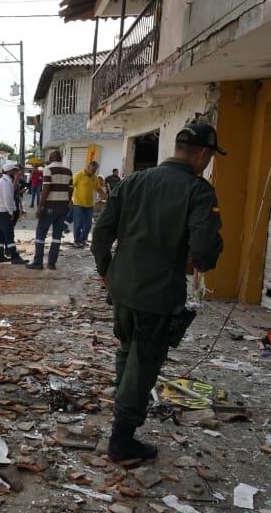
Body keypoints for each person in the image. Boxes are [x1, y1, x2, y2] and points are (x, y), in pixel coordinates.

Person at [92, 123, 225, 462]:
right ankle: (122, 439)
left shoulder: (134, 181)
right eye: (210, 156)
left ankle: (122, 412)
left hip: (122, 286)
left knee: (128, 349)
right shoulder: (198, 191)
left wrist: (106, 271)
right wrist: (205, 260)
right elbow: (204, 248)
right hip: (158, 291)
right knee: (144, 362)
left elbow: (101, 232)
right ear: (203, 154)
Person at [29, 150, 73, 270]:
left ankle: (38, 262)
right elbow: (70, 189)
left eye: (49, 156)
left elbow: (46, 189)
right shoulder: (68, 171)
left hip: (50, 206)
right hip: (63, 207)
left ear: (52, 157)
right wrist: (68, 202)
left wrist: (39, 207)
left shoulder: (48, 169)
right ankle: (52, 263)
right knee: (57, 236)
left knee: (41, 233)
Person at [0, 163, 25, 264]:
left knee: (0, 234)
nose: (15, 172)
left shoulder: (0, 181)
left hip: (0, 211)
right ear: (9, 171)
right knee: (9, 234)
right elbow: (7, 199)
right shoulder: (6, 183)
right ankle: (14, 256)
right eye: (14, 170)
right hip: (5, 211)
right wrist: (11, 212)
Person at [70, 160, 102, 248]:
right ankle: (77, 241)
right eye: (93, 170)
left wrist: (105, 196)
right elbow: (71, 187)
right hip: (78, 204)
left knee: (88, 225)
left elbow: (97, 188)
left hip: (89, 205)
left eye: (95, 170)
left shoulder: (94, 177)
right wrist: (69, 200)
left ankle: (83, 239)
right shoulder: (78, 175)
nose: (94, 172)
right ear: (88, 168)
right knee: (78, 223)